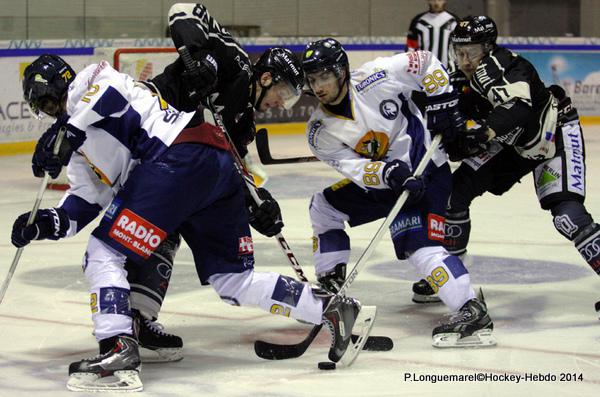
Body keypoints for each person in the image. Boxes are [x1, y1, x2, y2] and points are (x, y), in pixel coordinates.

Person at [13, 53, 375, 392]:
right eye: (45, 109)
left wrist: (68, 131)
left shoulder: (89, 82)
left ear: (61, 87)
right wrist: (44, 222)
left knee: (103, 252)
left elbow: (106, 96)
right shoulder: (79, 150)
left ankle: (117, 350)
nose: (53, 110)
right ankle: (331, 309)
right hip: (213, 165)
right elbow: (85, 201)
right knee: (232, 280)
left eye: (49, 101)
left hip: (176, 157)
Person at [102, 2, 307, 362]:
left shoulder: (243, 124)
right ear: (266, 77)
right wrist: (196, 58)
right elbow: (183, 10)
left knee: (170, 227)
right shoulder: (235, 61)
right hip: (142, 132)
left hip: (173, 165)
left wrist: (257, 200)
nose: (281, 104)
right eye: (285, 92)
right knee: (125, 240)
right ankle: (117, 328)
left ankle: (138, 318)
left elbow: (229, 167)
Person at [301, 38, 494, 348]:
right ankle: (330, 286)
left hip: (427, 171)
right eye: (312, 79)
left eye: (324, 76)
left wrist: (442, 100)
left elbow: (427, 62)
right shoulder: (319, 130)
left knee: (421, 250)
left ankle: (470, 309)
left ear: (341, 72)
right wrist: (388, 174)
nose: (319, 85)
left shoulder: (375, 76)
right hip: (388, 183)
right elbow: (356, 169)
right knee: (324, 207)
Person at [441, 16, 600, 284]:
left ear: (489, 47)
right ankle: (449, 279)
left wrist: (484, 133)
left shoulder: (506, 67)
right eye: (459, 52)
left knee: (567, 216)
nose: (466, 60)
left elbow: (519, 108)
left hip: (553, 133)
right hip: (514, 141)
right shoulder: (461, 76)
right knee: (454, 193)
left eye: (473, 52)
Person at [406, 0, 458, 68]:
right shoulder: (418, 21)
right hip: (424, 69)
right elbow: (411, 47)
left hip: (449, 69)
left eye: (439, 0)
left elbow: (459, 48)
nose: (436, 3)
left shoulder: (454, 21)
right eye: (433, 0)